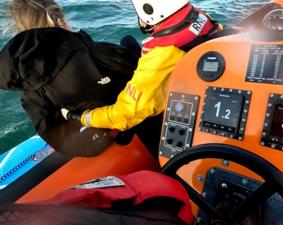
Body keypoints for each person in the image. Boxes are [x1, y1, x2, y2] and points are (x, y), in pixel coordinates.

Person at [64, 0, 235, 157]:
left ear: (150, 12)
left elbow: (123, 116)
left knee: (142, 119)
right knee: (128, 42)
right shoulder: (199, 17)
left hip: (190, 120)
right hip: (211, 93)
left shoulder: (161, 55)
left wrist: (81, 117)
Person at [0, 0, 141, 157]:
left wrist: (97, 142)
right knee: (128, 41)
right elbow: (143, 76)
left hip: (96, 138)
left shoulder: (31, 91)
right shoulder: (98, 53)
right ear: (60, 21)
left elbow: (54, 134)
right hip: (132, 124)